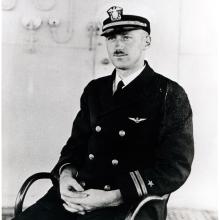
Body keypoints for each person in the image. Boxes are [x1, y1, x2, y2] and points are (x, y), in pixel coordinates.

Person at [13, 2, 194, 220]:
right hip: (78, 193)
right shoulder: (94, 90)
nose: (118, 45)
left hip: (129, 203)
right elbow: (75, 146)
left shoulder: (169, 94)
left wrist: (113, 197)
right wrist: (66, 176)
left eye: (126, 37)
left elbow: (176, 168)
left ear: (147, 41)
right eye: (111, 37)